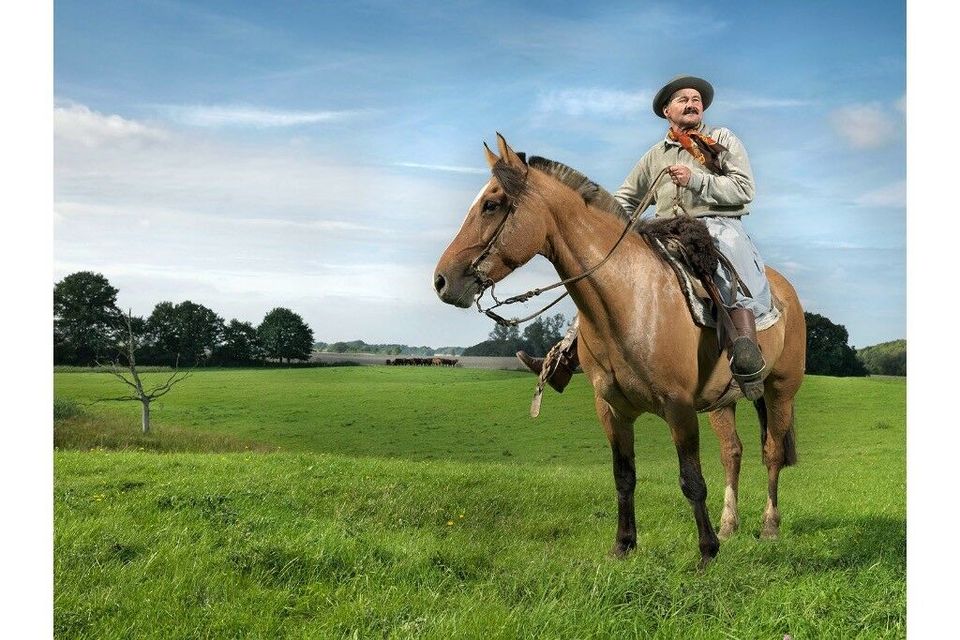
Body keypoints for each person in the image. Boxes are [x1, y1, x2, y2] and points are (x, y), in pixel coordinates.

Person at [516, 75, 772, 400]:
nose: (692, 103)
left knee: (722, 263)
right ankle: (563, 359)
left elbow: (745, 189)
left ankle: (744, 352)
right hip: (666, 231)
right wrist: (597, 225)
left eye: (696, 99)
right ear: (667, 110)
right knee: (606, 278)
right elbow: (624, 199)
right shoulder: (655, 156)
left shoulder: (722, 139)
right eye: (683, 99)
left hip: (716, 225)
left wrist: (695, 180)